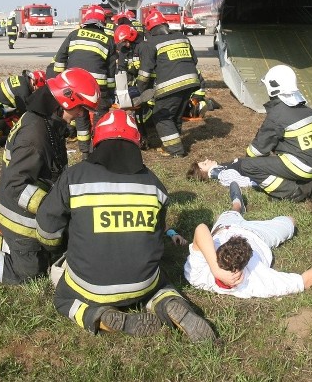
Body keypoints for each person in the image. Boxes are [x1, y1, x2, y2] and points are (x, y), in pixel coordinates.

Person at [35, 109, 217, 341]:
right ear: (136, 142)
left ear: (97, 140)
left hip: (89, 286)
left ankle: (97, 314)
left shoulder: (75, 177)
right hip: (142, 282)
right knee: (160, 285)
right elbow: (156, 235)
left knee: (63, 299)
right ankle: (169, 302)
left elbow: (47, 229)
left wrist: (57, 248)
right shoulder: (155, 185)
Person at [0, 68, 100, 290]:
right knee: (30, 271)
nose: (82, 114)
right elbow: (16, 185)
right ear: (65, 99)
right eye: (81, 108)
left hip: (16, 214)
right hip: (20, 219)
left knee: (44, 251)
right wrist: (51, 208)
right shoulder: (36, 136)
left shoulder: (41, 120)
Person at [184, 183, 312, 298]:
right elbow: (304, 281)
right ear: (245, 264)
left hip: (226, 227)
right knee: (290, 221)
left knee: (233, 211)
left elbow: (201, 229)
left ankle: (237, 203)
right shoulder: (256, 281)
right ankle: (239, 208)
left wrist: (216, 269)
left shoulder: (197, 274)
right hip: (259, 235)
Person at [217, 64, 312, 201]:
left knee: (248, 166)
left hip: (300, 167)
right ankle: (310, 186)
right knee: (272, 161)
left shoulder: (279, 114)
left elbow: (257, 149)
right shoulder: (307, 110)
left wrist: (245, 161)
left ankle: (292, 192)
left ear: (272, 87)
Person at [134, 10, 201, 157]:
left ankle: (175, 150)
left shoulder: (150, 43)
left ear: (150, 29)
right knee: (175, 115)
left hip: (171, 85)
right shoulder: (182, 38)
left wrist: (139, 92)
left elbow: (144, 74)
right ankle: (169, 144)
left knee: (161, 116)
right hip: (191, 82)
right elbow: (194, 61)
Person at [52, 5, 117, 155]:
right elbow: (111, 71)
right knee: (100, 120)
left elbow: (60, 59)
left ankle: (84, 152)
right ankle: (97, 149)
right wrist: (109, 94)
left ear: (85, 21)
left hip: (75, 87)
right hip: (98, 88)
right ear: (102, 22)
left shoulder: (74, 35)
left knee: (80, 117)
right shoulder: (108, 40)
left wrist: (61, 81)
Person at [187, 155, 312, 189]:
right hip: (271, 173)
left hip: (268, 167)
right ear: (203, 173)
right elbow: (245, 182)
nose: (207, 160)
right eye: (204, 164)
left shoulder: (222, 168)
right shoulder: (222, 174)